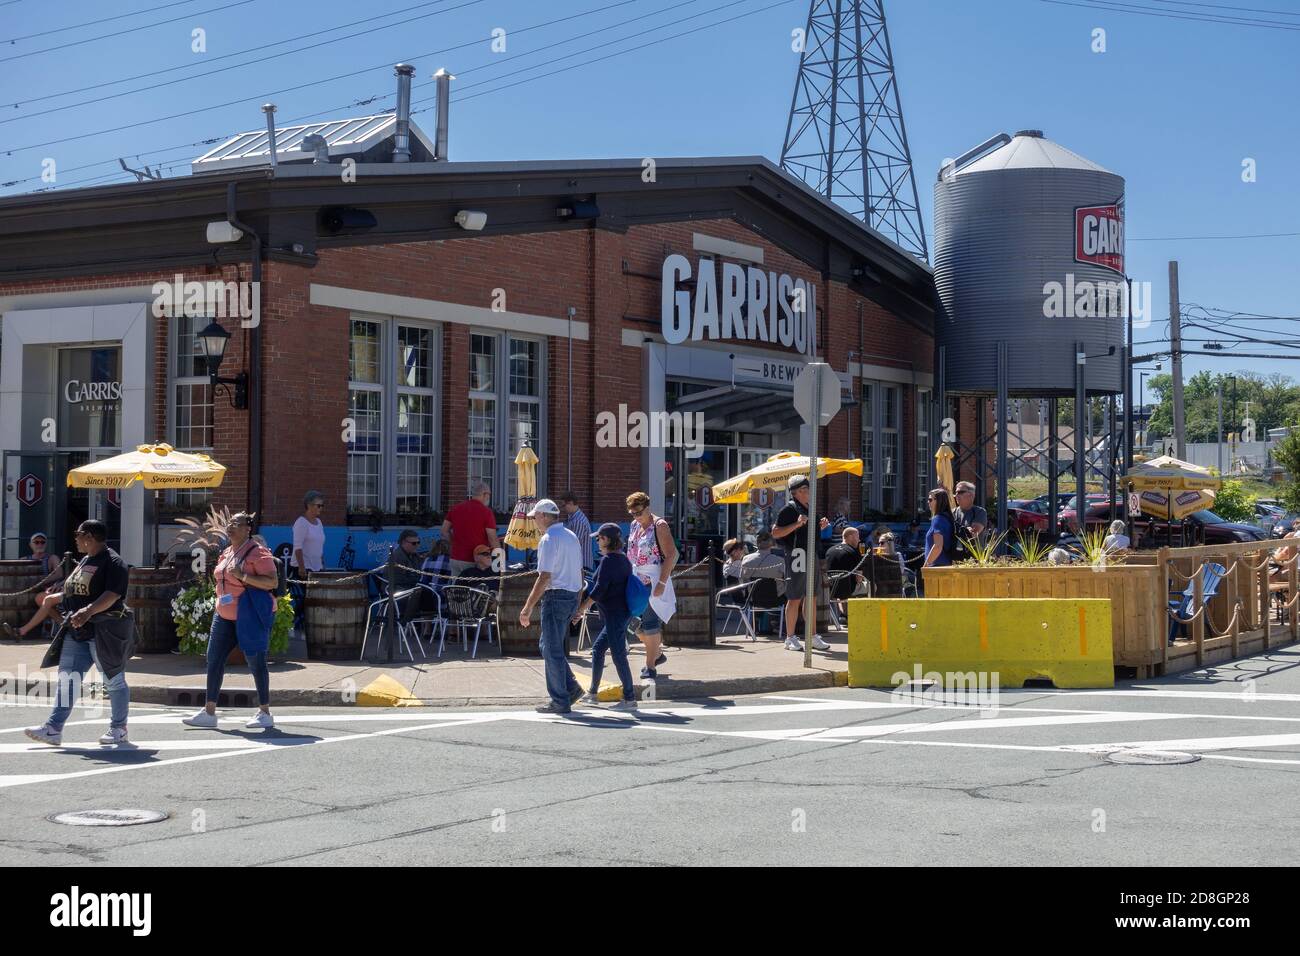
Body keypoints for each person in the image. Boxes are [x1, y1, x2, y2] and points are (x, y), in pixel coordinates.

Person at [24, 520, 134, 747]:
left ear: (90, 537)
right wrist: (60, 598)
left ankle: (119, 728)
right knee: (67, 679)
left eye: (78, 534)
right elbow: (76, 587)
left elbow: (112, 595)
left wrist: (88, 610)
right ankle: (54, 729)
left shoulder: (113, 562)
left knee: (113, 680)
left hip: (103, 631)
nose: (75, 538)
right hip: (78, 631)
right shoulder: (85, 559)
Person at [182, 512, 279, 731]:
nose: (231, 526)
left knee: (256, 662)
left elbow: (272, 581)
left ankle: (265, 712)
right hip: (224, 614)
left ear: (248, 529)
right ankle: (209, 712)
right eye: (229, 523)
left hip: (249, 614)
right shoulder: (226, 551)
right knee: (214, 659)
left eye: (236, 523)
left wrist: (244, 576)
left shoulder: (258, 552)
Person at [519, 499, 585, 714]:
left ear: (544, 516)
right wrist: (579, 601)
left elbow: (544, 576)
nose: (535, 522)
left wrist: (528, 606)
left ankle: (560, 699)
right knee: (548, 646)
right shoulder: (571, 536)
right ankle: (570, 688)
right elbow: (580, 571)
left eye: (536, 517)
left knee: (552, 649)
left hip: (556, 597)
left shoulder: (548, 539)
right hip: (570, 595)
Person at [572, 523, 637, 709]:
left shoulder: (609, 560)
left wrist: (582, 608)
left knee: (618, 656)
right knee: (598, 649)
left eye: (599, 538)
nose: (597, 542)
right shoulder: (623, 559)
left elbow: (600, 589)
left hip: (615, 615)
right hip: (618, 614)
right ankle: (593, 693)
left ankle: (630, 698)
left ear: (607, 540)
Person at [772, 474, 831, 652]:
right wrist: (796, 525)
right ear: (796, 493)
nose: (808, 492)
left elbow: (808, 532)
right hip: (797, 554)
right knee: (795, 596)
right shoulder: (789, 510)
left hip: (810, 553)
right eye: (804, 490)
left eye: (808, 489)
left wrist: (819, 526)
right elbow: (775, 532)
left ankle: (811, 636)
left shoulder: (810, 508)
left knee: (811, 596)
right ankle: (790, 637)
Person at [625, 490, 678, 679]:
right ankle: (656, 654)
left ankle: (650, 666)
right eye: (632, 513)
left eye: (639, 512)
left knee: (649, 621)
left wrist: (662, 582)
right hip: (635, 579)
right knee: (632, 623)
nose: (636, 516)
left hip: (653, 578)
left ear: (648, 508)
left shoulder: (659, 525)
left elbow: (672, 554)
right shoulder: (634, 525)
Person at [0, 532, 67, 641]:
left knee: (41, 599)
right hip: (28, 594)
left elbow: (59, 574)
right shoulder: (24, 560)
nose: (39, 544)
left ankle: (61, 625)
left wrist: (39, 581)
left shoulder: (52, 558)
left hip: (48, 590)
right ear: (31, 545)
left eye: (42, 542)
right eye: (36, 542)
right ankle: (63, 625)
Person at [442, 483, 500, 575]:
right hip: (476, 559)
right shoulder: (486, 512)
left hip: (455, 557)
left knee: (456, 588)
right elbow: (492, 538)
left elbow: (444, 531)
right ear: (484, 494)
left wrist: (453, 543)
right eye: (489, 495)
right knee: (475, 588)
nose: (489, 498)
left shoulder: (456, 508)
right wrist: (499, 559)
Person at [741, 531, 786, 636]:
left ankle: (756, 625)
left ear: (757, 543)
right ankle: (782, 627)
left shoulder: (746, 559)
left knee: (757, 589)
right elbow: (786, 577)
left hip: (753, 599)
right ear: (772, 544)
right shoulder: (779, 560)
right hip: (776, 599)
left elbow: (743, 580)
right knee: (791, 596)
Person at [291, 491, 326, 579]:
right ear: (309, 505)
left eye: (322, 506)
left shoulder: (319, 522)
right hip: (303, 569)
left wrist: (322, 564)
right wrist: (302, 568)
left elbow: (319, 547)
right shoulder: (301, 522)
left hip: (317, 568)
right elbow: (298, 547)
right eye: (318, 505)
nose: (321, 508)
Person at [825, 527, 866, 600]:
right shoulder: (854, 552)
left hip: (830, 588)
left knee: (842, 588)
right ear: (850, 537)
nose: (859, 540)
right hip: (848, 590)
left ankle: (841, 609)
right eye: (857, 536)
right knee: (873, 586)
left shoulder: (829, 550)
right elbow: (858, 579)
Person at [923, 488, 956, 570]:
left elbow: (938, 546)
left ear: (938, 501)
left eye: (930, 499)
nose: (928, 502)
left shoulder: (938, 519)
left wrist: (926, 566)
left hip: (937, 567)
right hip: (947, 564)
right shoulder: (948, 518)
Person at [561, 492, 593, 573]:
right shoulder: (573, 518)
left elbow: (573, 544)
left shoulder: (578, 521)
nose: (563, 508)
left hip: (582, 565)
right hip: (578, 564)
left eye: (564, 505)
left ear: (571, 503)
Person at [952, 481, 988, 552]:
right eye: (956, 492)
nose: (956, 495)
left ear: (971, 495)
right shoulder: (952, 512)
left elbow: (973, 534)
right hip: (954, 556)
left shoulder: (979, 512)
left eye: (960, 492)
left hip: (973, 558)